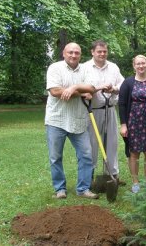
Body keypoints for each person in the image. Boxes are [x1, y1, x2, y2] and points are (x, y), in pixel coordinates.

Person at [45, 42, 109, 200]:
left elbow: (92, 88)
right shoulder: (55, 68)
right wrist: (81, 92)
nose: (73, 55)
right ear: (64, 53)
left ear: (80, 55)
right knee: (55, 157)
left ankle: (83, 189)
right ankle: (60, 189)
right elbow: (55, 91)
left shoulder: (86, 69)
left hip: (79, 120)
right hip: (56, 120)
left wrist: (73, 88)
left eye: (77, 53)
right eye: (70, 52)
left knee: (86, 155)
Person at [84, 40, 125, 185]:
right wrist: (89, 92)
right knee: (92, 144)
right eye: (99, 51)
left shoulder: (113, 67)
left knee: (112, 143)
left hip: (110, 109)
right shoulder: (85, 68)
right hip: (92, 111)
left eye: (104, 51)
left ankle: (112, 175)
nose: (102, 54)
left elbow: (123, 85)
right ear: (92, 52)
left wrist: (114, 88)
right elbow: (82, 88)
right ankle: (89, 177)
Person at [118, 55, 146, 193]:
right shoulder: (128, 82)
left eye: (143, 63)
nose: (141, 66)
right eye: (138, 63)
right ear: (134, 66)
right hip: (133, 121)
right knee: (133, 152)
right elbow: (122, 104)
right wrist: (123, 124)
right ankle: (135, 182)